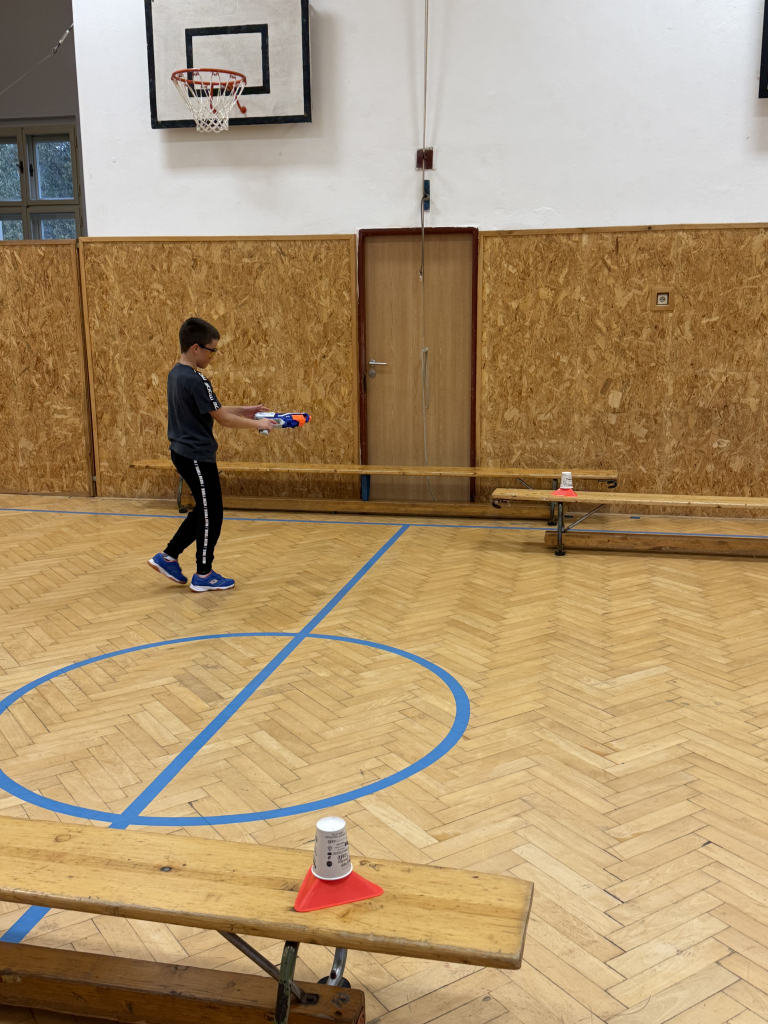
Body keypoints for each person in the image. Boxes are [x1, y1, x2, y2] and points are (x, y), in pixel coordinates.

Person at [148, 317, 277, 592]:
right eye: (211, 350)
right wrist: (258, 425)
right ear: (196, 347)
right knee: (212, 514)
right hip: (196, 456)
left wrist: (245, 410)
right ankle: (204, 575)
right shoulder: (197, 380)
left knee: (204, 510)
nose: (212, 356)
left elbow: (212, 409)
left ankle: (168, 557)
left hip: (183, 453)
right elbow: (222, 419)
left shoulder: (176, 375)